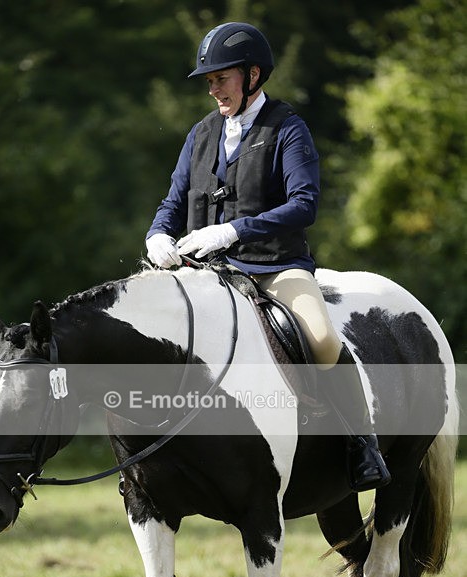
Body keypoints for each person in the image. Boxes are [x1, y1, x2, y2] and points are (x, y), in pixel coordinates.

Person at [145, 22, 390, 492]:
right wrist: (157, 234)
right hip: (206, 272)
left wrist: (233, 230)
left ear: (253, 75)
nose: (214, 89)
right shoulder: (200, 134)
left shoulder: (288, 129)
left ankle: (362, 443)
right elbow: (173, 201)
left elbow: (304, 204)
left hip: (274, 267)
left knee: (322, 340)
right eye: (209, 81)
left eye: (221, 78)